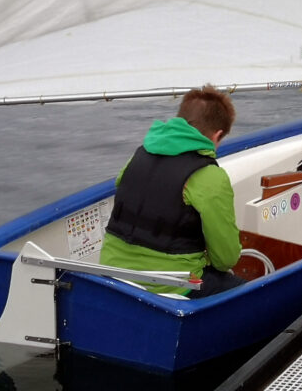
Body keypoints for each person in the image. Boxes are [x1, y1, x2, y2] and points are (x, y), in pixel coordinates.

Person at [99, 85, 246, 298]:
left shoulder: (138, 156)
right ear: (217, 135)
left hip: (112, 272)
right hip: (170, 286)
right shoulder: (209, 176)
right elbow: (225, 260)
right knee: (249, 292)